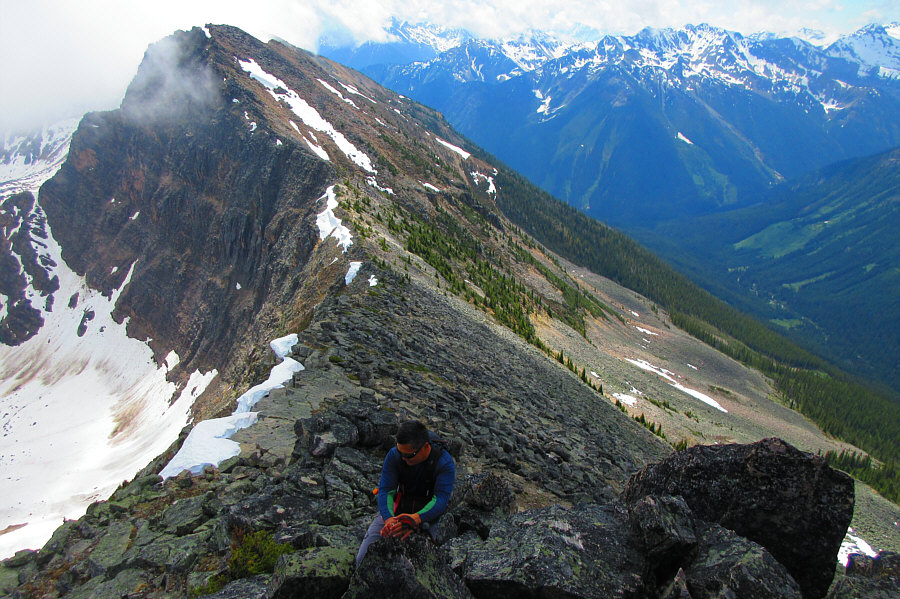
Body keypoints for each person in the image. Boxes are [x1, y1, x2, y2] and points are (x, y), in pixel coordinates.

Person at [355, 420, 456, 567]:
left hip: (430, 515)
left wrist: (415, 519)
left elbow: (441, 499)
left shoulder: (444, 462)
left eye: (409, 455)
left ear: (425, 447)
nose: (403, 458)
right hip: (399, 509)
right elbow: (385, 490)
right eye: (400, 452)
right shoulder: (394, 455)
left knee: (430, 563)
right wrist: (389, 519)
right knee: (363, 559)